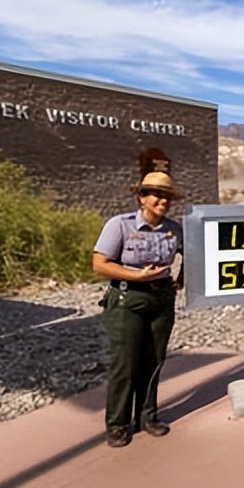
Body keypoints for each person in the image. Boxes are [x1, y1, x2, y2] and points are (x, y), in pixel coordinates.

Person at [92, 170, 184, 448]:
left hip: (161, 300)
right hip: (127, 300)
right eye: (156, 195)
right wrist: (136, 276)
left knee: (153, 360)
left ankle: (147, 417)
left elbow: (191, 257)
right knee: (126, 363)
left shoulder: (174, 229)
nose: (163, 201)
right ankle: (118, 424)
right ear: (141, 197)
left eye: (167, 196)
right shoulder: (119, 225)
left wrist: (180, 281)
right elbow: (100, 264)